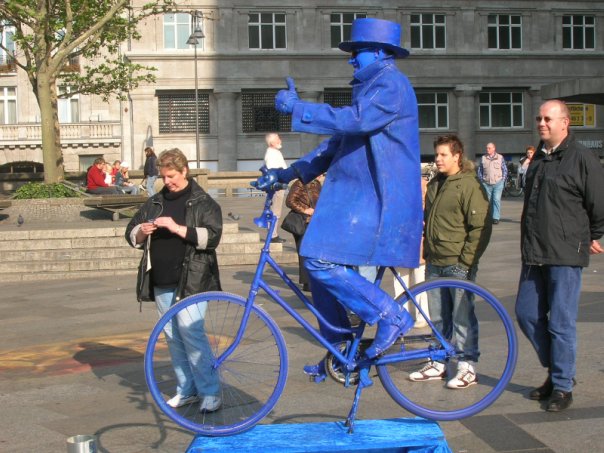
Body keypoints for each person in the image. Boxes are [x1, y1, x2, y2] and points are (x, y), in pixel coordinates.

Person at [254, 18, 423, 378]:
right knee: (314, 259)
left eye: (357, 51)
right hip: (363, 202)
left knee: (318, 260)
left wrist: (299, 108)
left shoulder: (390, 85)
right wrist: (285, 174)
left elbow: (354, 121)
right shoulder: (371, 88)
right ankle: (342, 352)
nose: (351, 59)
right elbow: (334, 146)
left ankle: (390, 315)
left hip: (381, 204)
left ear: (379, 52)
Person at [515, 100, 604, 412]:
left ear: (565, 123)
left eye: (548, 119)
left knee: (561, 323)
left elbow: (598, 200)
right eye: (539, 118)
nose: (541, 123)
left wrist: (595, 234)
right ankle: (557, 370)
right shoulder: (539, 157)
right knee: (526, 313)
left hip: (565, 252)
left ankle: (563, 386)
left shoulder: (581, 157)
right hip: (534, 251)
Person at [125, 148, 224, 413]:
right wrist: (141, 231)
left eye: (171, 176)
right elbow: (131, 232)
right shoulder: (155, 201)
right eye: (163, 176)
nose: (167, 181)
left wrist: (176, 227)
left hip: (193, 279)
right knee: (171, 335)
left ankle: (210, 391)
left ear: (184, 171)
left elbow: (212, 237)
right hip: (161, 278)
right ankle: (187, 389)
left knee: (191, 333)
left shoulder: (203, 202)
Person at [409, 135, 492, 388]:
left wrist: (466, 261)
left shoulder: (469, 184)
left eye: (443, 155)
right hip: (435, 261)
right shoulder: (436, 183)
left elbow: (480, 227)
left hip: (458, 262)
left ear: (457, 156)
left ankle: (467, 365)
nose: (438, 159)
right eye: (436, 154)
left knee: (462, 316)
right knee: (437, 316)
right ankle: (439, 361)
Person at [394, 177, 429, 328]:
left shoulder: (422, 184)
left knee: (419, 278)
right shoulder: (394, 183)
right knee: (401, 279)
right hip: (400, 239)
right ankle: (402, 315)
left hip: (417, 238)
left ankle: (421, 315)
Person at [284, 174, 324, 292]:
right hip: (303, 222)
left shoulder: (317, 184)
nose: (322, 175)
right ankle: (307, 283)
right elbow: (290, 201)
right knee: (304, 252)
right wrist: (305, 210)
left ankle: (312, 280)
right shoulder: (300, 183)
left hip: (314, 222)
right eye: (321, 172)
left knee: (312, 252)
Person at [264, 133, 287, 243]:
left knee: (277, 211)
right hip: (276, 185)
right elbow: (272, 171)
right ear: (272, 142)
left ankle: (273, 234)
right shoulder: (271, 154)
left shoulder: (275, 152)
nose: (280, 140)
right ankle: (272, 235)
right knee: (275, 211)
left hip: (279, 184)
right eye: (278, 139)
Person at [477, 142, 507, 224]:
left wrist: (503, 179)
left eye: (489, 148)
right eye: (487, 148)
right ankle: (488, 217)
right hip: (486, 183)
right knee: (487, 201)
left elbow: (504, 169)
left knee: (496, 199)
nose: (487, 149)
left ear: (494, 148)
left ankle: (496, 217)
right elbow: (480, 170)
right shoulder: (483, 158)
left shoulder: (500, 157)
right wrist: (482, 180)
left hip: (498, 182)